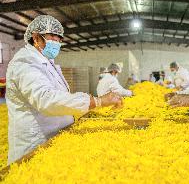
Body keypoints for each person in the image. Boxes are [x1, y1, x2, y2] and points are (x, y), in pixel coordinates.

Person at [5, 15, 122, 164]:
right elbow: (46, 99)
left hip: (54, 140)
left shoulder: (47, 63)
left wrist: (86, 108)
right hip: (34, 144)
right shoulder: (25, 63)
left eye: (59, 38)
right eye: (52, 36)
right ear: (35, 38)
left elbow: (61, 97)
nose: (57, 41)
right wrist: (96, 101)